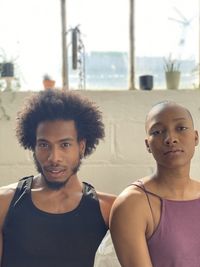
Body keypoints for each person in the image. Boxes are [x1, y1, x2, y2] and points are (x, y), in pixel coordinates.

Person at [0, 89, 116, 267]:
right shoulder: (4, 203)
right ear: (34, 146)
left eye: (65, 145)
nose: (54, 157)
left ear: (82, 147)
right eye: (44, 144)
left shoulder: (110, 210)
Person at [110, 100, 200, 267]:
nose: (170, 138)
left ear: (196, 137)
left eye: (181, 128)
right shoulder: (132, 204)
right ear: (147, 145)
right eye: (157, 131)